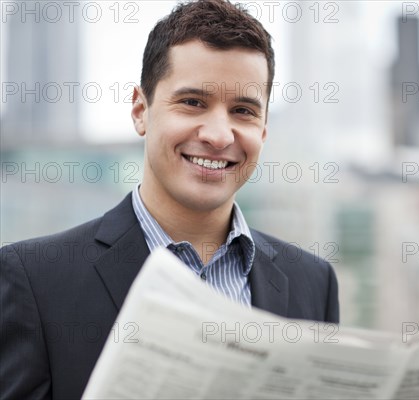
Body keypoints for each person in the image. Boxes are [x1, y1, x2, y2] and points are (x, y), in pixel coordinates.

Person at [0, 1, 340, 398]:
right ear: (140, 110)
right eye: (193, 102)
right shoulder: (34, 280)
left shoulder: (313, 283)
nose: (218, 135)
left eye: (243, 110)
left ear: (263, 131)